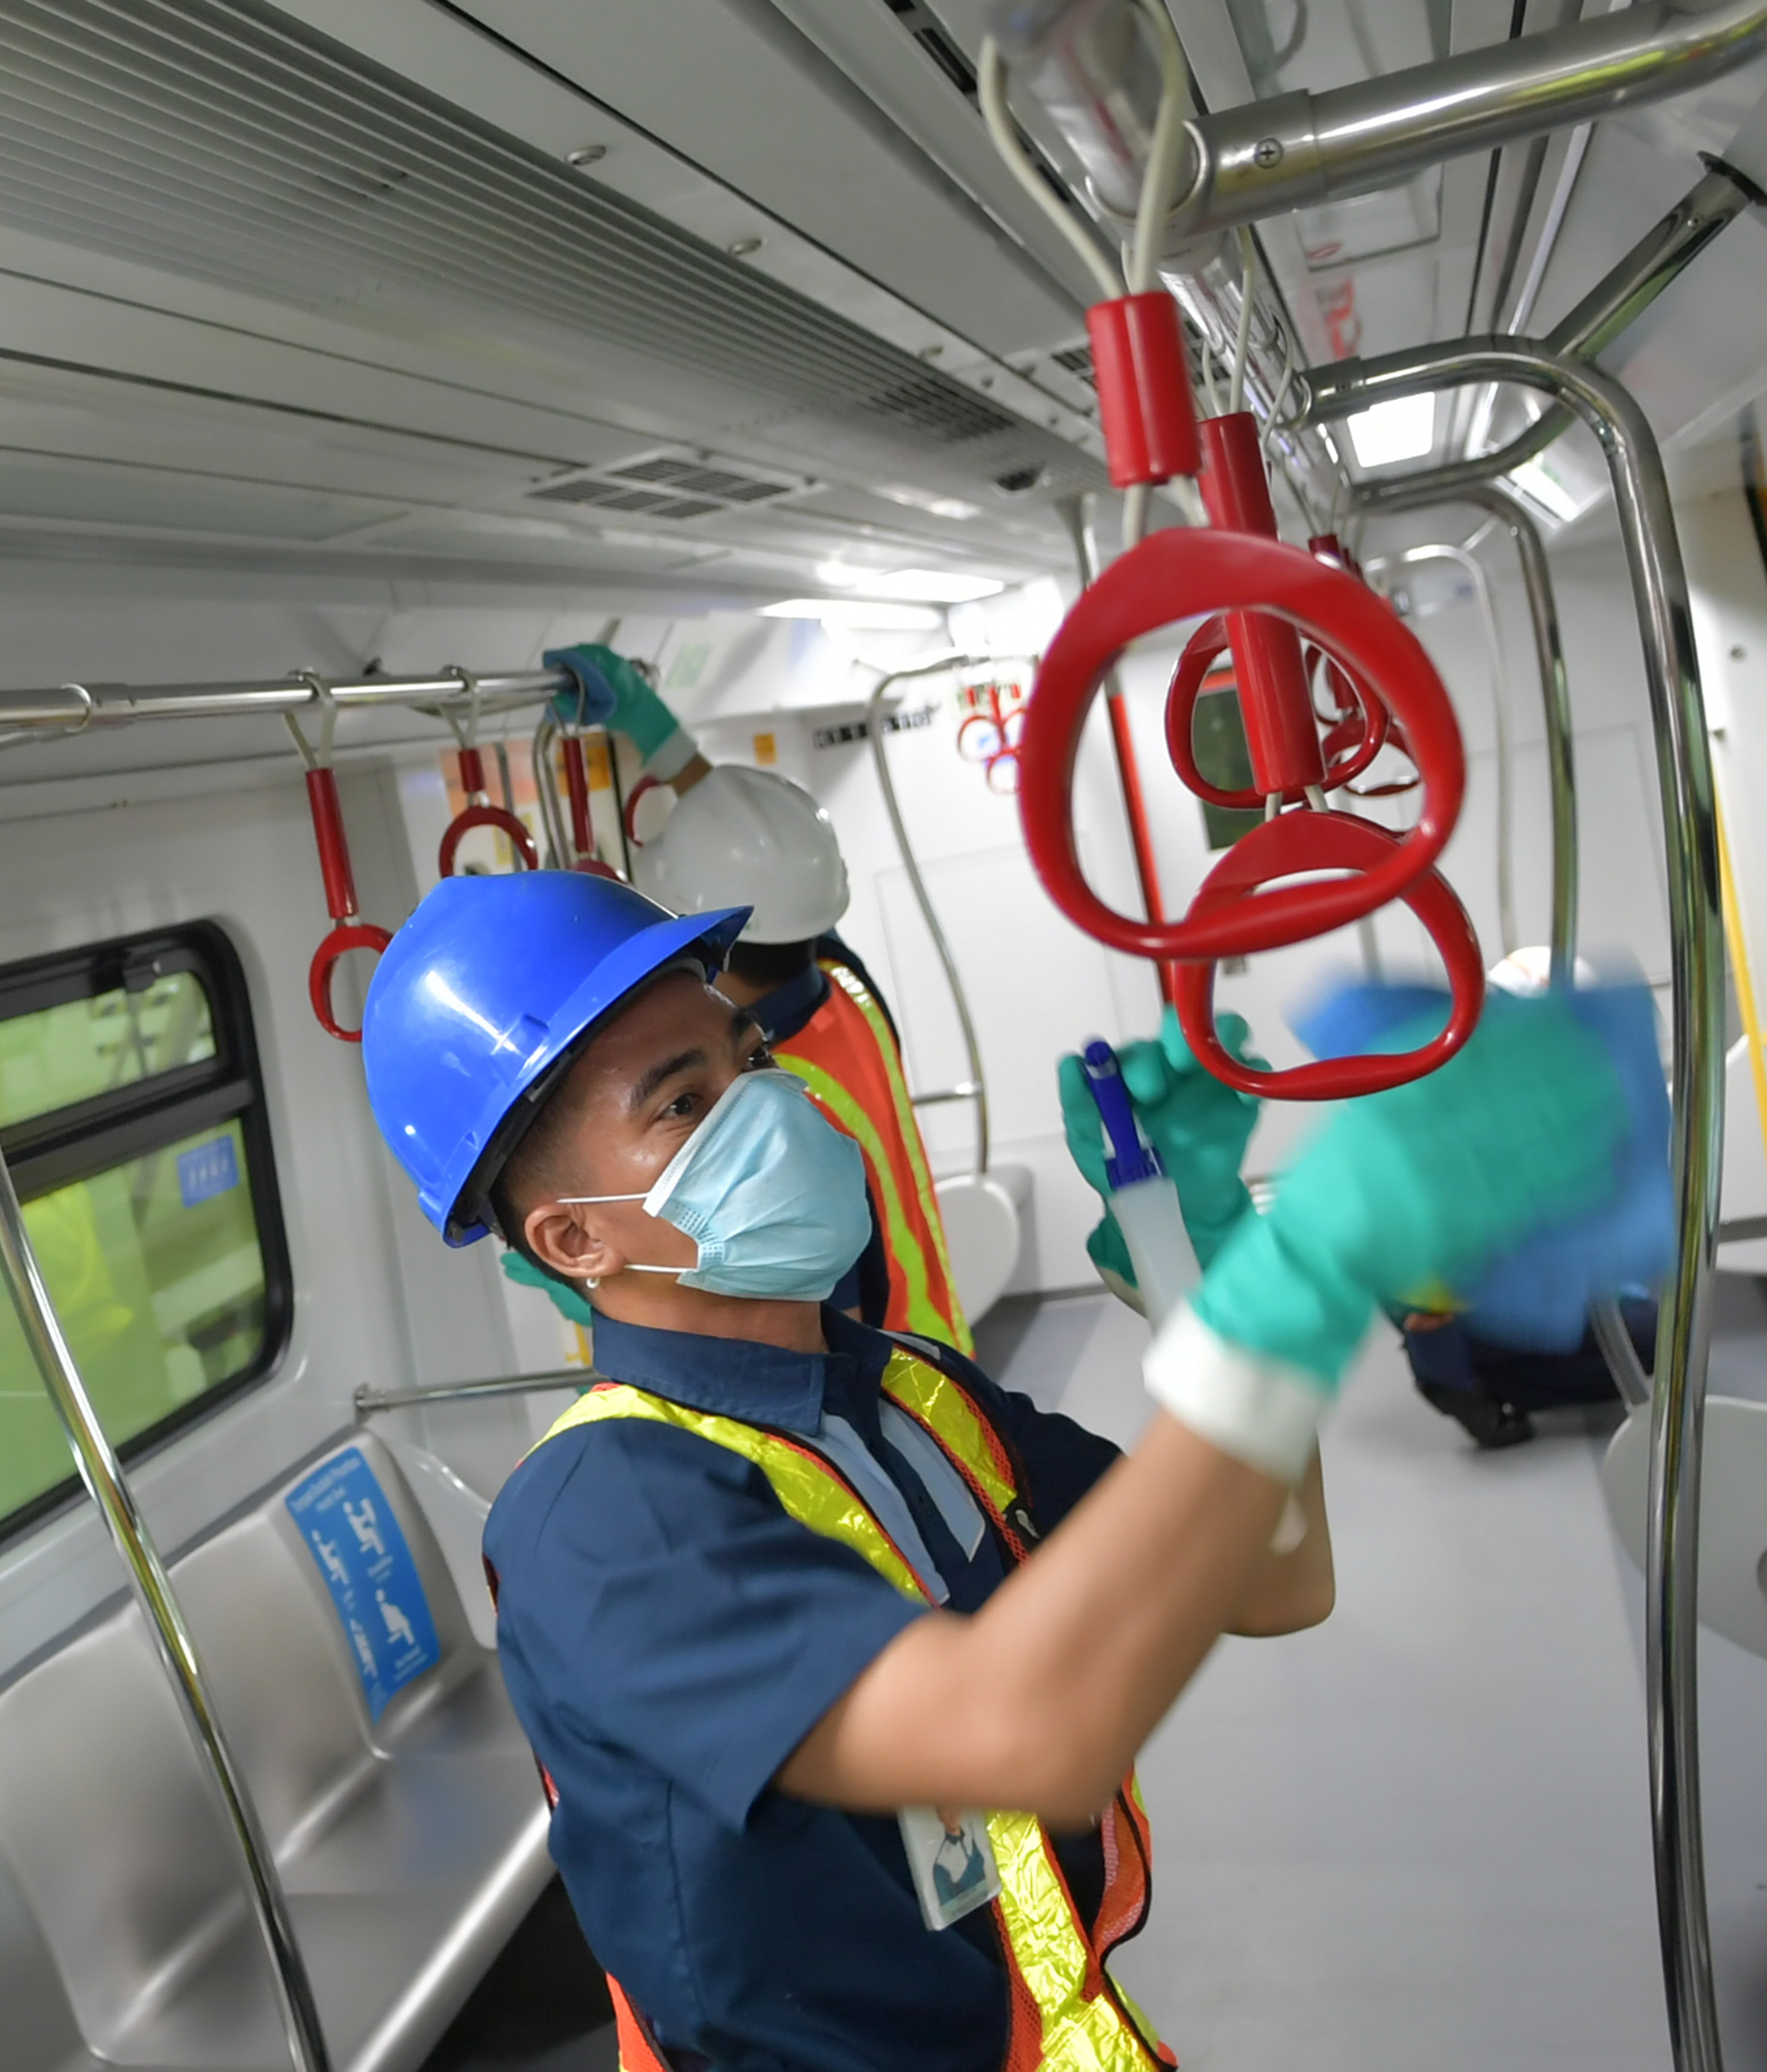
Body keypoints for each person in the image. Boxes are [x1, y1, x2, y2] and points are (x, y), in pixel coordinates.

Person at [360, 869, 1653, 2072]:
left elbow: (1274, 1576)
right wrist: (1311, 1265)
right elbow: (1019, 1730)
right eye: (684, 1102)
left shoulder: (907, 1394)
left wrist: (1188, 1243)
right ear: (575, 1236)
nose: (768, 1102)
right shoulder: (602, 1518)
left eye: (748, 1057)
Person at [533, 645, 976, 1352]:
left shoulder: (767, 1110)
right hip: (939, 1353)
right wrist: (660, 736)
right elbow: (774, 875)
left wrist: (609, 1297)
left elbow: (826, 1325)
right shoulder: (845, 984)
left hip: (888, 1387)